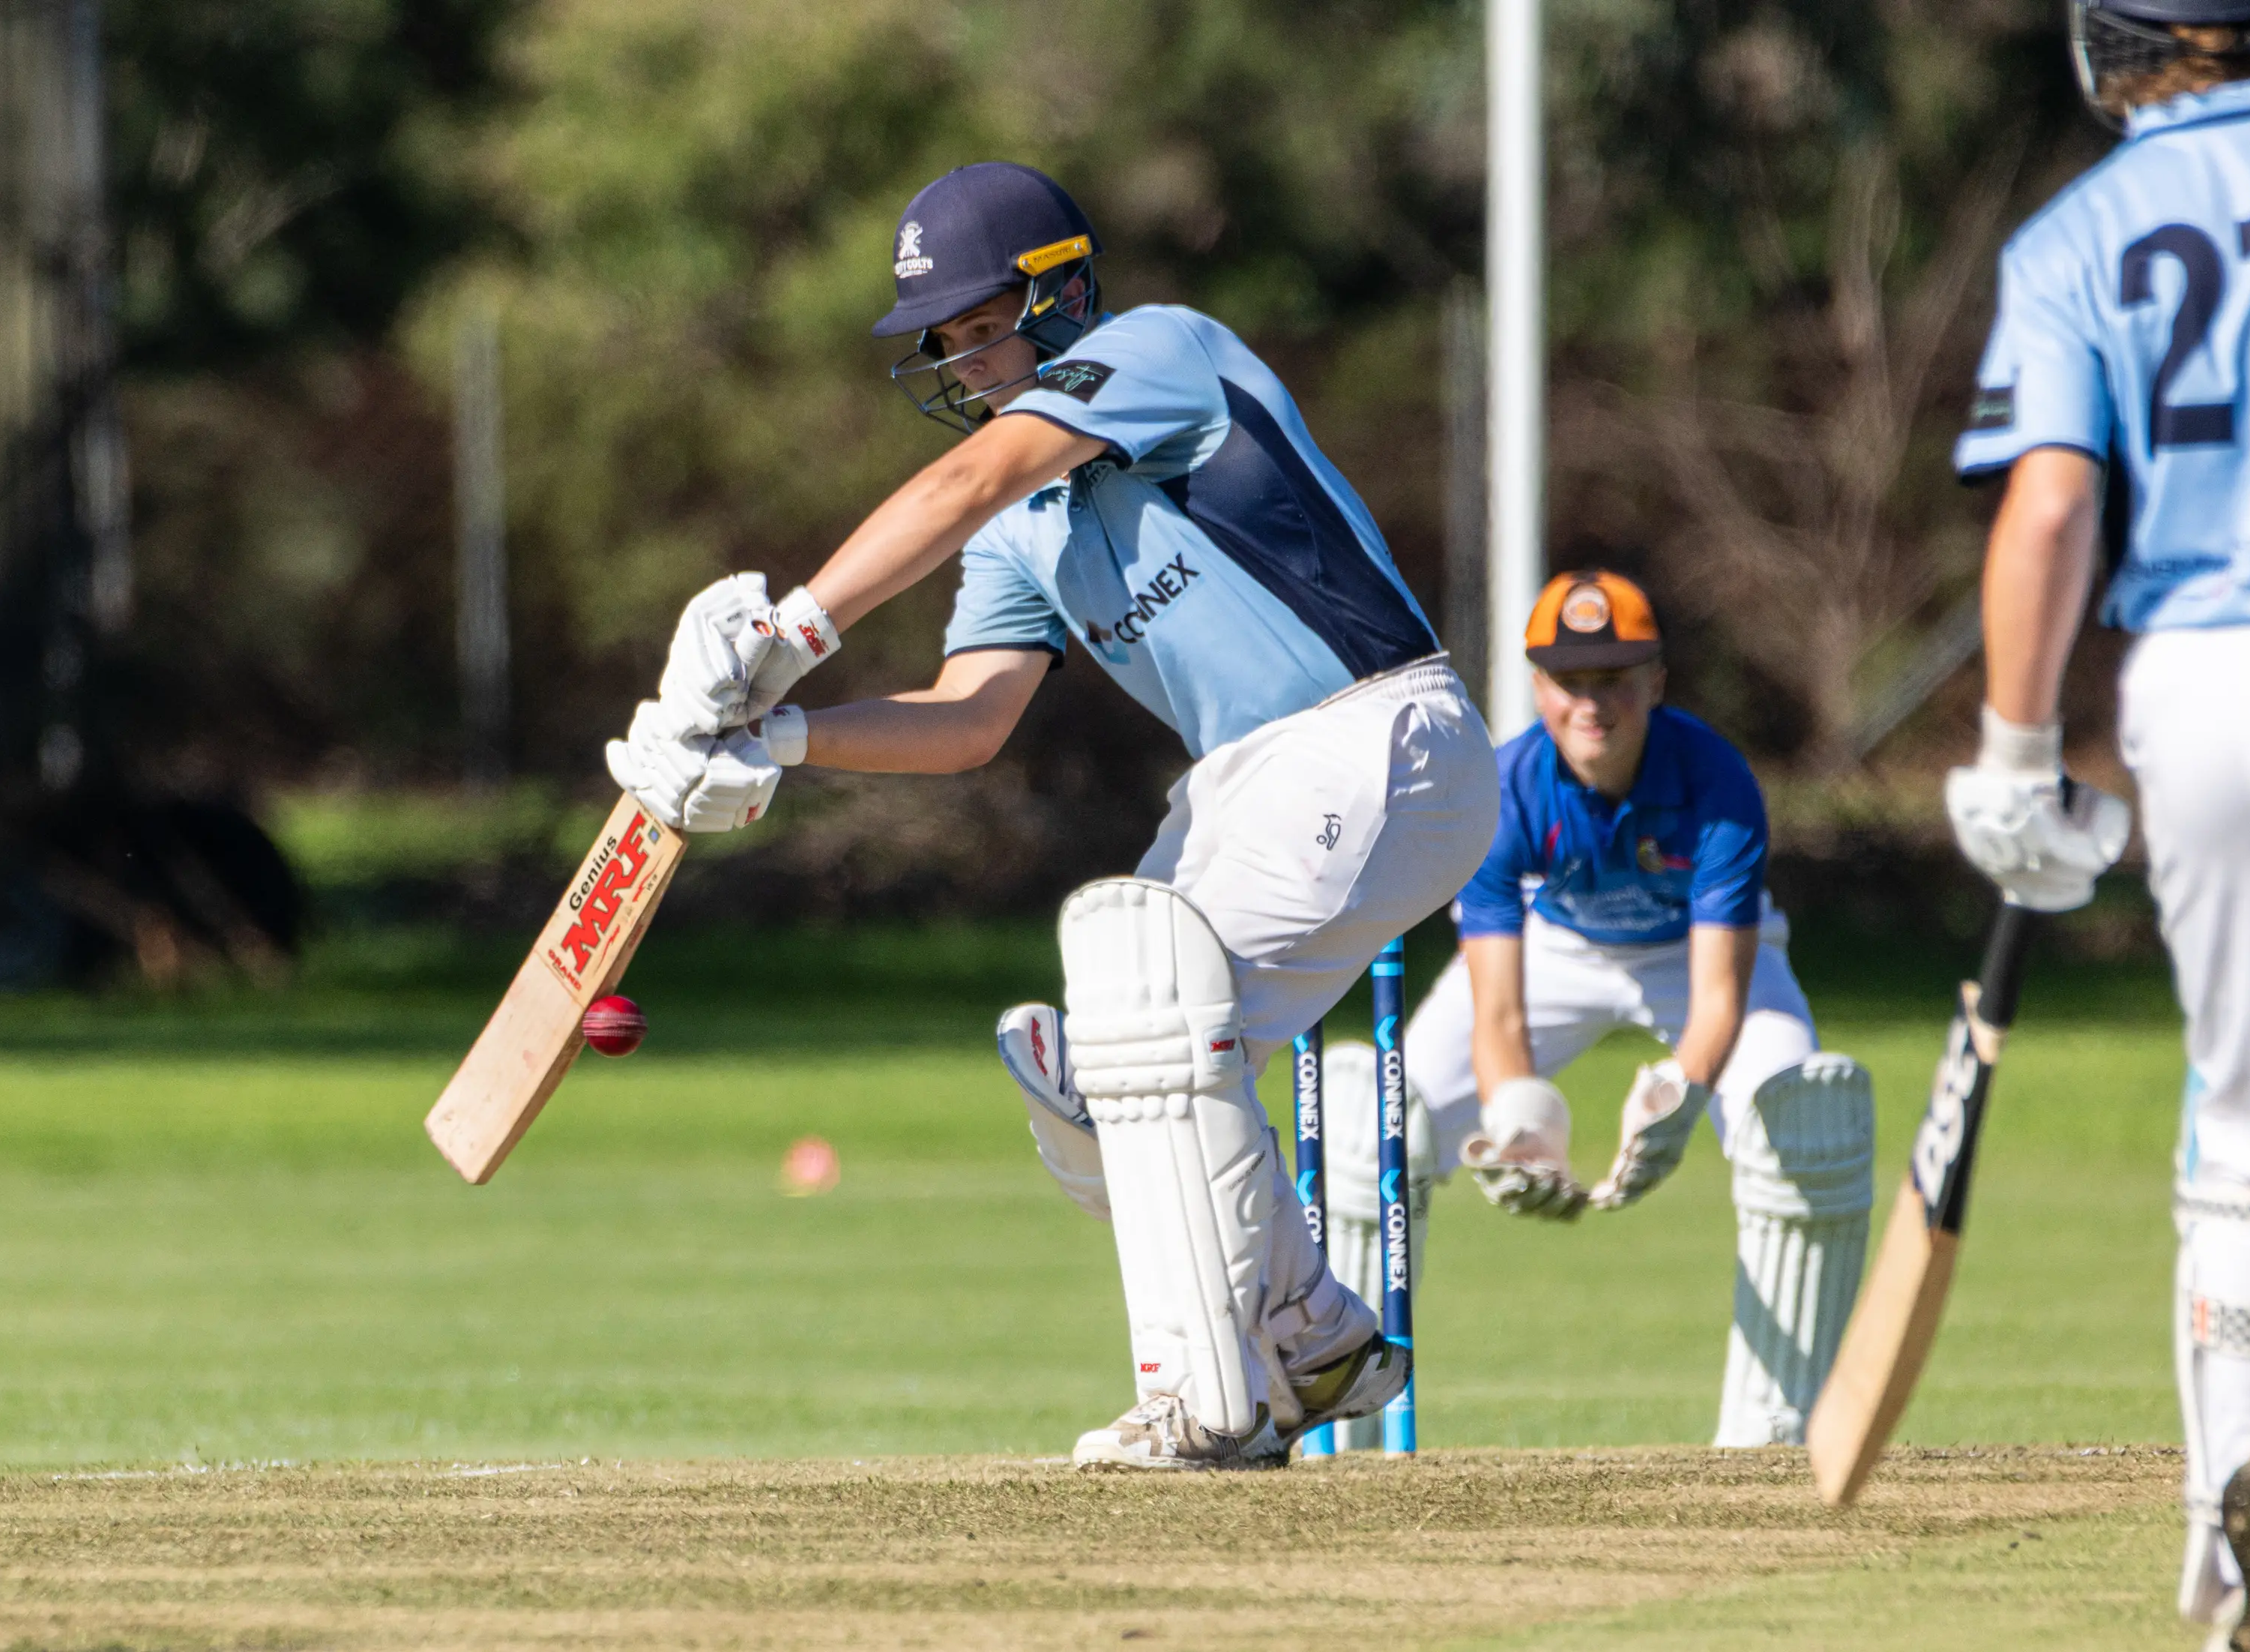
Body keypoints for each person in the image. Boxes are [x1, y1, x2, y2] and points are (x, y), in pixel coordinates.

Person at [600, 161, 1499, 1469]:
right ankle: (1307, 1337)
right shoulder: (1023, 529)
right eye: (945, 342)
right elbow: (968, 716)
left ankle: (1211, 1401)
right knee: (1094, 1075)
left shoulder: (1162, 351)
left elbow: (963, 481)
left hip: (1376, 733)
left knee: (1144, 1037)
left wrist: (788, 633)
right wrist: (779, 737)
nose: (966, 363)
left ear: (1064, 287)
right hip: (1254, 779)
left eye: (982, 326)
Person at [1951, 4, 2250, 1645]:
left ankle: (2224, 1557)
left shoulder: (2078, 227)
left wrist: (2011, 751)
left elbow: (2049, 505)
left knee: (2243, 1134)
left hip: (2186, 685)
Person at [1368, 570, 1876, 1450]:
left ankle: (1772, 1434)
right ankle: (1348, 1425)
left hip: (1698, 953)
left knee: (1799, 1116)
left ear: (1655, 682)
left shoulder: (1717, 782)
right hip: (1559, 945)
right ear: (1538, 687)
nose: (1591, 703)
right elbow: (1497, 1012)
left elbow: (1718, 995)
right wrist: (1516, 1117)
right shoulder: (1504, 789)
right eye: (1571, 681)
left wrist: (1680, 1097)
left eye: (1614, 679)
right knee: (1376, 1118)